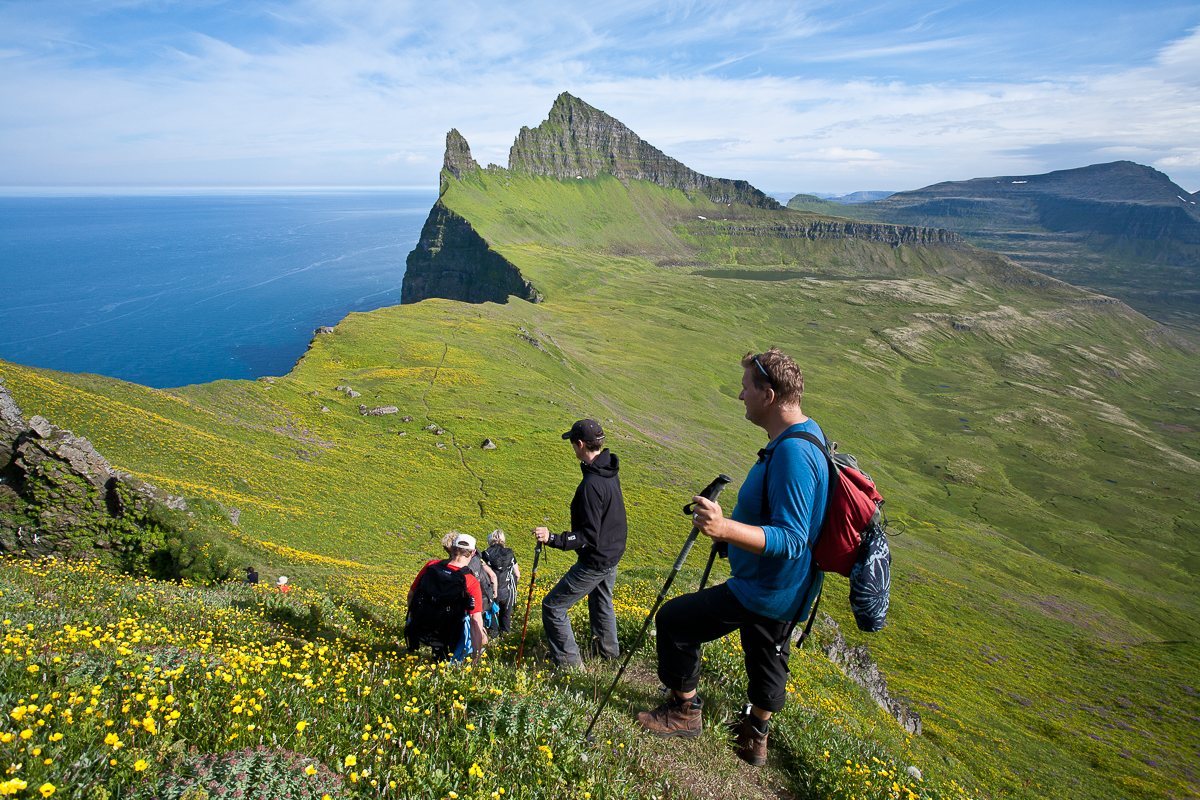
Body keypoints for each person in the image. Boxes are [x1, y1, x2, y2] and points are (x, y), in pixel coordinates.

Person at [636, 347, 829, 767]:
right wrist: (734, 539)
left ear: (769, 395)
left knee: (675, 622)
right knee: (768, 653)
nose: (740, 396)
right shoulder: (808, 435)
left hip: (763, 588)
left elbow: (792, 537)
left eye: (745, 388)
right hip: (791, 587)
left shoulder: (794, 455)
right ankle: (755, 737)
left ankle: (685, 712)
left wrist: (724, 529)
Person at [534, 419, 628, 669]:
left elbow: (587, 535)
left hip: (596, 560)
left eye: (572, 443)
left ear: (580, 444)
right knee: (601, 599)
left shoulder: (591, 484)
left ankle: (571, 668)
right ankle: (609, 654)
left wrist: (553, 538)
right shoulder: (608, 471)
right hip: (612, 552)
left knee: (553, 606)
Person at [407, 532, 489, 659]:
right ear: (472, 553)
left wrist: (412, 618)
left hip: (423, 626)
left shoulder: (431, 565)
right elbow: (475, 620)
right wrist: (476, 657)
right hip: (450, 633)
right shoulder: (471, 581)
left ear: (452, 549)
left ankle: (438, 657)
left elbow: (411, 594)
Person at [480, 530, 521, 635]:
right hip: (507, 591)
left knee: (492, 614)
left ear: (490, 540)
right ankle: (505, 638)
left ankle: (493, 637)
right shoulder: (510, 554)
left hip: (491, 591)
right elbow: (517, 574)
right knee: (506, 616)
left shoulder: (486, 554)